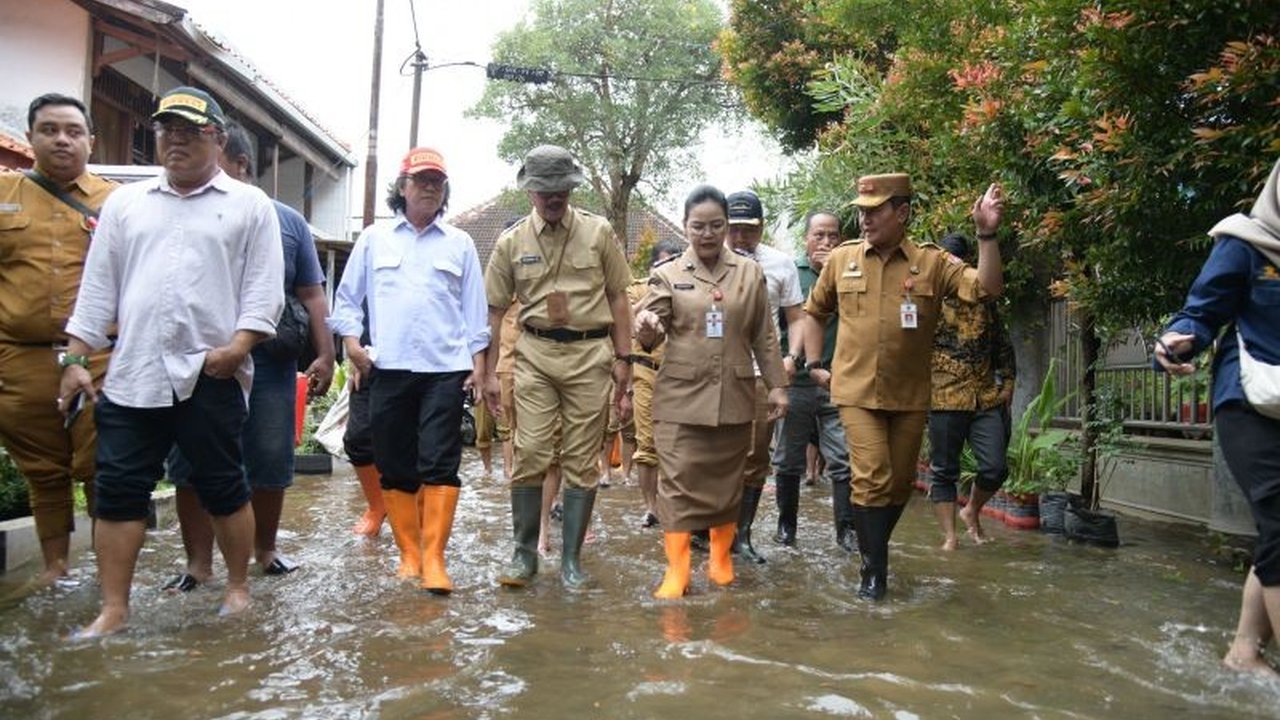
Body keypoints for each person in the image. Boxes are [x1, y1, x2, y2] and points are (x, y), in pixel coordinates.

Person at [59, 86, 284, 636]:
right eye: (166, 130)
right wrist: (75, 356)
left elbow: (264, 291)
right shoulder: (125, 204)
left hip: (211, 371)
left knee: (224, 483)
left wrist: (238, 348)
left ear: (217, 138)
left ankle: (235, 587)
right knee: (116, 490)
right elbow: (98, 288)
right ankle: (114, 607)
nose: (175, 140)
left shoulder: (249, 205)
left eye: (189, 130)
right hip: (133, 372)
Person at [802, 173, 1004, 600]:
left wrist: (986, 234)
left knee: (897, 486)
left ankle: (872, 548)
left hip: (910, 395)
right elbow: (816, 311)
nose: (865, 219)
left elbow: (986, 288)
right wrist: (815, 363)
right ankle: (874, 574)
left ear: (902, 212)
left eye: (874, 211)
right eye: (861, 211)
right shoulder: (842, 259)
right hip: (855, 391)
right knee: (872, 476)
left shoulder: (931, 262)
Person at [164, 121, 335, 591]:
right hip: (198, 358)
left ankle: (266, 550)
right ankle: (198, 564)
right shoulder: (177, 211)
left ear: (239, 163)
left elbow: (312, 294)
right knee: (190, 462)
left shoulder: (285, 220)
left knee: (269, 456)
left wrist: (326, 353)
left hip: (269, 360)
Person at [330, 147, 489, 594]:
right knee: (396, 464)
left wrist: (479, 368)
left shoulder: (460, 243)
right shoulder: (373, 240)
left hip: (445, 369)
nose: (429, 188)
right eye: (420, 181)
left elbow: (474, 313)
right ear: (403, 188)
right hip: (390, 367)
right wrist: (351, 344)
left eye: (436, 182)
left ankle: (435, 560)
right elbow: (346, 302)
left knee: (440, 461)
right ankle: (409, 555)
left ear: (445, 192)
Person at [483, 144, 632, 589]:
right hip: (535, 354)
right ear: (530, 191)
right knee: (530, 452)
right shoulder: (511, 243)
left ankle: (571, 560)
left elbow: (618, 297)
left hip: (590, 354)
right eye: (545, 189)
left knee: (583, 458)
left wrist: (625, 359)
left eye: (561, 189)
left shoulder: (599, 232)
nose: (554, 197)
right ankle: (524, 555)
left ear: (571, 188)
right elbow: (492, 312)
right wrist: (488, 372)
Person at [1154, 158, 1280, 676]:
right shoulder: (1247, 244)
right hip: (1251, 403)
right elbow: (1201, 311)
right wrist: (1180, 339)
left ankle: (1244, 651)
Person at [636, 184, 787, 599]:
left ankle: (720, 558)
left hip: (735, 395)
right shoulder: (667, 274)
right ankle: (678, 570)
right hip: (681, 399)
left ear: (726, 227)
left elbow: (764, 336)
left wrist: (777, 387)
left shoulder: (749, 272)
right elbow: (651, 324)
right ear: (685, 227)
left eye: (715, 225)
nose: (707, 234)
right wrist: (646, 326)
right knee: (678, 483)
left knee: (726, 483)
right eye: (698, 226)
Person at [0, 94, 116, 587]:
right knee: (42, 471)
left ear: (91, 140)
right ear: (31, 138)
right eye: (49, 129)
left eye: (73, 130)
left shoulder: (118, 204)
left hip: (101, 357)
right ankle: (55, 569)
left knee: (102, 466)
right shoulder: (5, 195)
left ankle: (108, 575)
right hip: (19, 357)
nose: (62, 139)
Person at [724, 190, 804, 564]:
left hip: (759, 374)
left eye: (748, 230)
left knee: (755, 456)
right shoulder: (708, 261)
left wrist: (791, 358)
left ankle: (742, 536)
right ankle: (707, 531)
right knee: (713, 454)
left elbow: (796, 318)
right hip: (715, 374)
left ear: (762, 227)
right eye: (734, 229)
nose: (740, 238)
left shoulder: (781, 264)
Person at [927, 231, 1016, 551]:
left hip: (983, 396)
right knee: (944, 470)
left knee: (995, 467)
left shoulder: (984, 299)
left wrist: (1007, 384)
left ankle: (971, 510)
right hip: (943, 395)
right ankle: (950, 537)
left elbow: (1002, 345)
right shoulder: (927, 299)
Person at [773, 211, 855, 550]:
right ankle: (786, 527)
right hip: (797, 382)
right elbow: (783, 323)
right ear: (806, 238)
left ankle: (846, 532)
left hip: (840, 381)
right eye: (819, 235)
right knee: (788, 459)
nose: (826, 242)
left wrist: (833, 273)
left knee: (844, 459)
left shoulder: (853, 272)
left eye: (833, 236)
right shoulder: (790, 273)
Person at [631, 238, 686, 528]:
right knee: (647, 445)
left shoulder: (688, 287)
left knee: (679, 445)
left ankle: (673, 504)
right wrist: (655, 288)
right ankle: (650, 507)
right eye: (666, 261)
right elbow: (629, 320)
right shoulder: (640, 288)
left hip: (679, 374)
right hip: (645, 373)